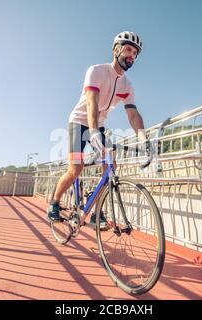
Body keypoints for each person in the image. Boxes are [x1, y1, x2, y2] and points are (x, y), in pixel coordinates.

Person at [47, 31, 149, 229]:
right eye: (128, 49)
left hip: (99, 125)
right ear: (116, 49)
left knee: (110, 165)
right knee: (75, 168)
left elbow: (133, 115)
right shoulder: (96, 71)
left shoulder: (128, 85)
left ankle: (96, 212)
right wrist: (92, 132)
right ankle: (54, 202)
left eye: (135, 53)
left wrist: (144, 139)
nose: (132, 56)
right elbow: (92, 103)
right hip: (79, 121)